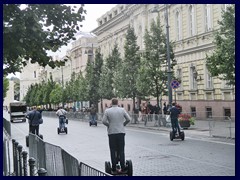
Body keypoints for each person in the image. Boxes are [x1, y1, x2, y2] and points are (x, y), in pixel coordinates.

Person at [102, 98, 131, 174]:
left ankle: (114, 168)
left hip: (112, 133)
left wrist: (109, 125)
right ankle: (123, 167)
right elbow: (128, 119)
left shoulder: (108, 111)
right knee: (121, 150)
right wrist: (123, 124)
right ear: (117, 102)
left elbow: (103, 121)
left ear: (111, 103)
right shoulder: (122, 110)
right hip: (121, 132)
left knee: (112, 149)